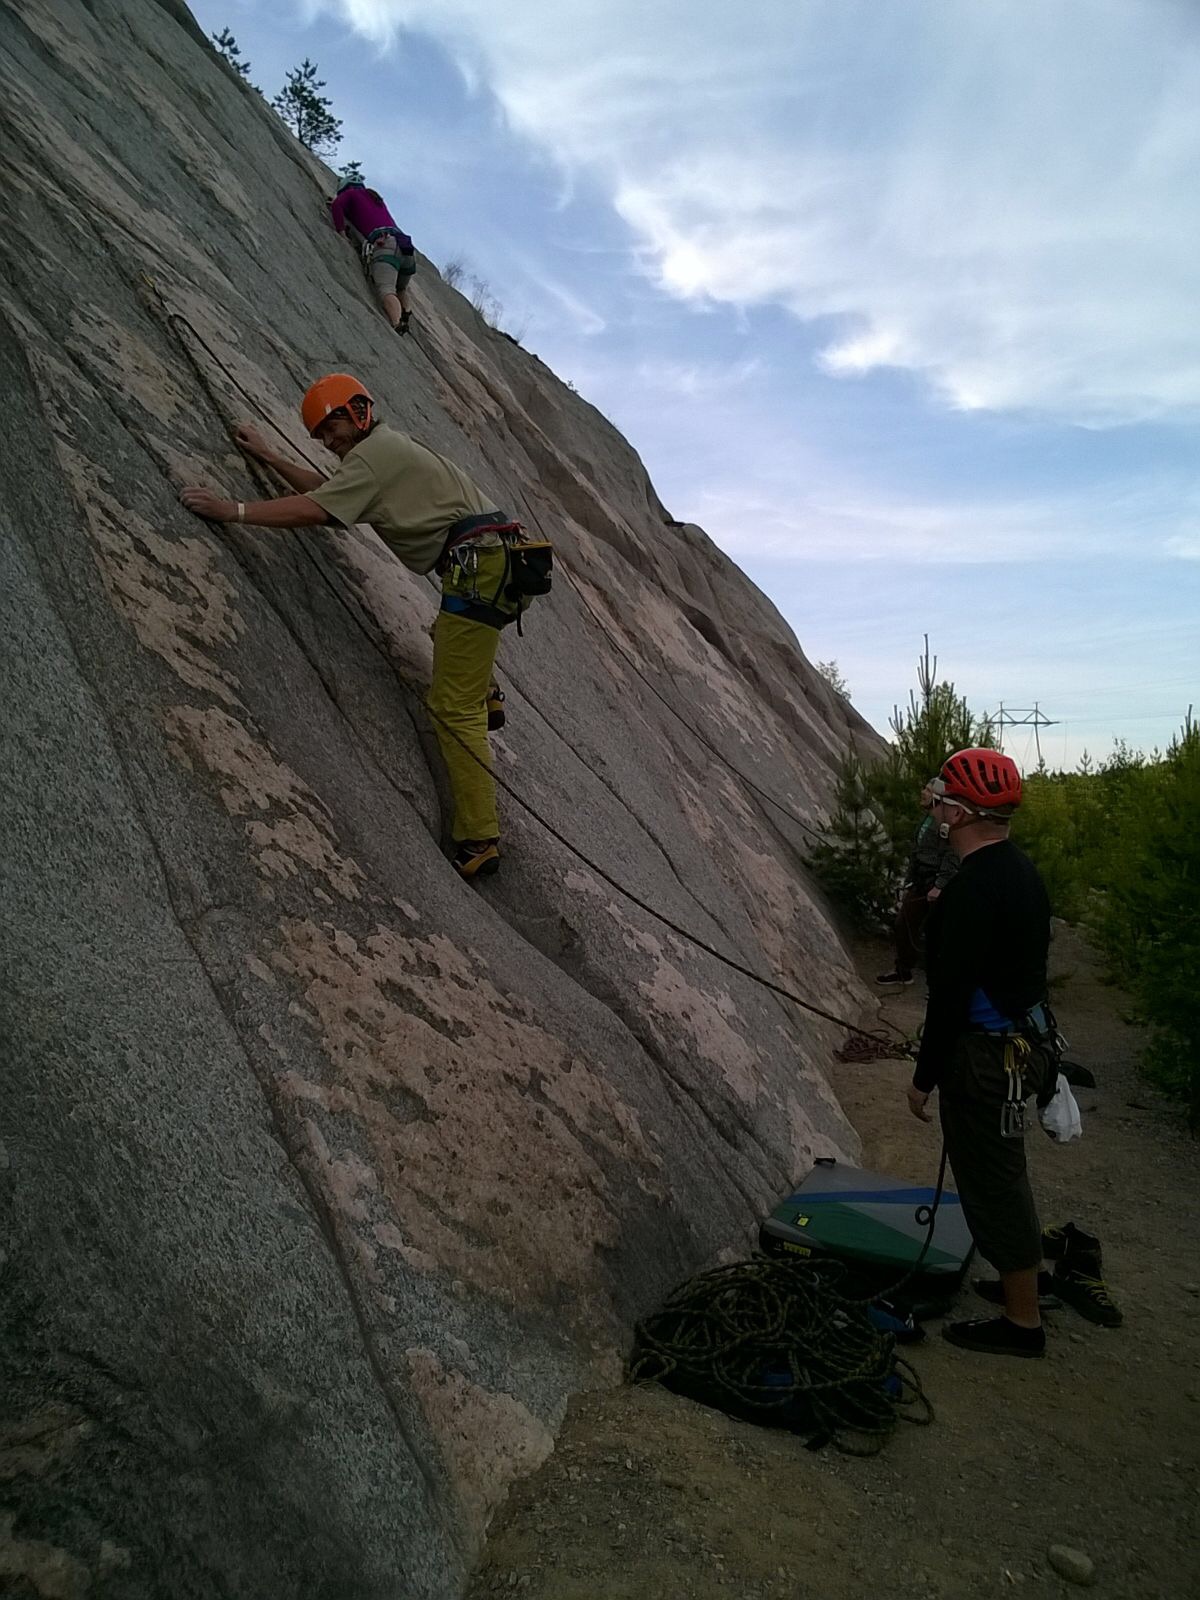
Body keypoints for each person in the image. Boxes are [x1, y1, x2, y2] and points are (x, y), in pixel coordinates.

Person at [179, 373, 532, 879]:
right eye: (320, 435)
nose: (328, 440)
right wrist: (270, 457)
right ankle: (487, 691)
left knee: (453, 707)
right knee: (451, 636)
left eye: (332, 426)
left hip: (480, 571)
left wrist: (231, 511)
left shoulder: (374, 457)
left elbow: (316, 509)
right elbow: (332, 494)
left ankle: (479, 838)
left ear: (360, 411)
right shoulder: (384, 451)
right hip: (497, 565)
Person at [905, 747, 1057, 1357]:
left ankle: (1023, 1323)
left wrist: (923, 1078)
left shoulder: (971, 890)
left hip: (987, 1060)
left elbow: (949, 998)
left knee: (992, 1181)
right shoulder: (1019, 871)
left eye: (944, 800)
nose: (936, 807)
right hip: (1023, 1046)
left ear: (962, 813)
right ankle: (1023, 1282)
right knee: (1005, 1171)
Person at [876, 782, 958, 986]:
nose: (923, 793)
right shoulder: (927, 819)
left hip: (935, 883)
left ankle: (943, 982)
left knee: (938, 933)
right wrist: (909, 879)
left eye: (928, 790)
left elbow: (952, 856)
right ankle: (903, 970)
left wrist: (939, 885)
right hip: (920, 880)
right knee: (904, 923)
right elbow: (918, 851)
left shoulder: (945, 824)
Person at [329, 178, 416, 335]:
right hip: (405, 247)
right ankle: (406, 311)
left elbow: (337, 206)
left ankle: (397, 323)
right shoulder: (376, 200)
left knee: (386, 289)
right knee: (400, 287)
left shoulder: (351, 193)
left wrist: (342, 233)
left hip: (385, 245)